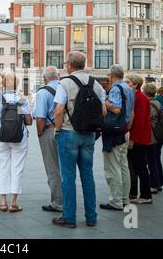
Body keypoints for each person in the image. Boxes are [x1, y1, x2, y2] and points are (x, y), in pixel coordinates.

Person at [53, 52, 106, 228]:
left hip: (69, 132)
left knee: (68, 177)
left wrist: (57, 129)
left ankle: (69, 217)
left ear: (69, 65)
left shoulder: (65, 83)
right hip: (89, 135)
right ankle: (91, 217)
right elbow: (103, 111)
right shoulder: (96, 84)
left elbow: (59, 110)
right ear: (84, 64)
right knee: (88, 175)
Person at [0, 72, 32, 212]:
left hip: (1, 135)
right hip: (19, 136)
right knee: (17, 167)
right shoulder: (22, 100)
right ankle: (14, 202)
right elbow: (28, 121)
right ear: (17, 84)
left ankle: (3, 202)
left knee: (3, 167)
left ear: (3, 84)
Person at [100, 65, 135, 211]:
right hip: (124, 130)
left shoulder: (115, 88)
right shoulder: (129, 88)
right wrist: (128, 128)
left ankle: (116, 200)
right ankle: (125, 199)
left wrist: (104, 101)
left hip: (114, 132)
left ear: (111, 76)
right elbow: (131, 112)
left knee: (112, 167)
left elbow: (115, 108)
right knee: (123, 166)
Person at [32, 66, 63, 213]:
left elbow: (40, 118)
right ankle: (69, 200)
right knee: (66, 169)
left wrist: (40, 133)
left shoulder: (43, 92)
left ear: (45, 78)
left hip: (50, 130)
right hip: (68, 130)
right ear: (59, 75)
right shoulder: (66, 87)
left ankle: (57, 203)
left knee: (53, 168)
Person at [126, 75, 153, 204]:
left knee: (141, 166)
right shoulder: (135, 97)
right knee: (137, 166)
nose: (126, 84)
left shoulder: (140, 98)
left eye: (128, 82)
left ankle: (146, 195)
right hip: (138, 137)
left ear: (136, 85)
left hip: (140, 138)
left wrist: (133, 139)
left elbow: (139, 121)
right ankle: (136, 193)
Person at [143, 83, 163, 194]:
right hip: (159, 135)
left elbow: (147, 119)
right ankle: (160, 183)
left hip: (151, 136)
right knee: (156, 159)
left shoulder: (149, 104)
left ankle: (154, 185)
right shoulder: (158, 102)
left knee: (151, 160)